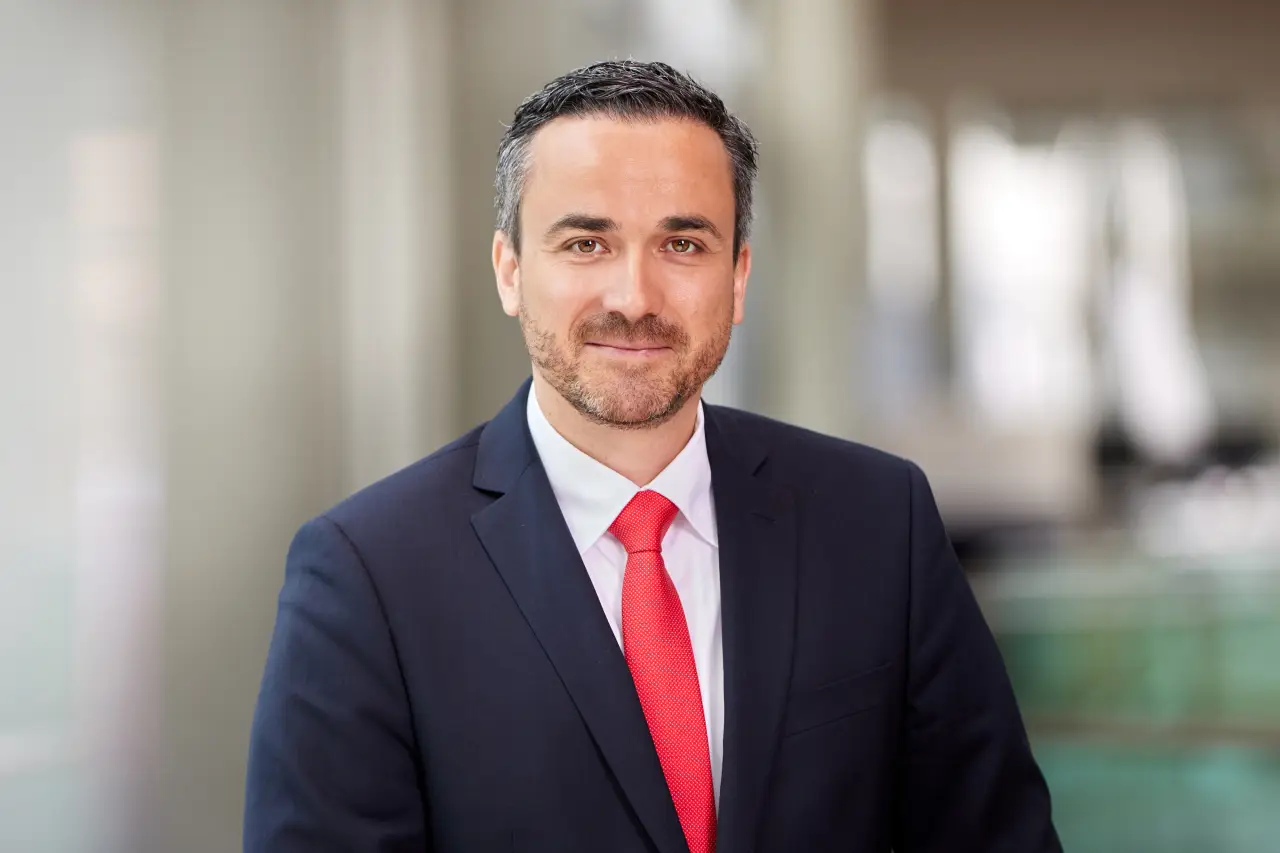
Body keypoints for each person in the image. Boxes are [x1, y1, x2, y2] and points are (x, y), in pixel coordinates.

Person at [244, 60, 1061, 853]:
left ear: (738, 276)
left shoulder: (880, 522)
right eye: (586, 244)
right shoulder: (367, 576)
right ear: (510, 271)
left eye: (683, 245)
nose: (634, 298)